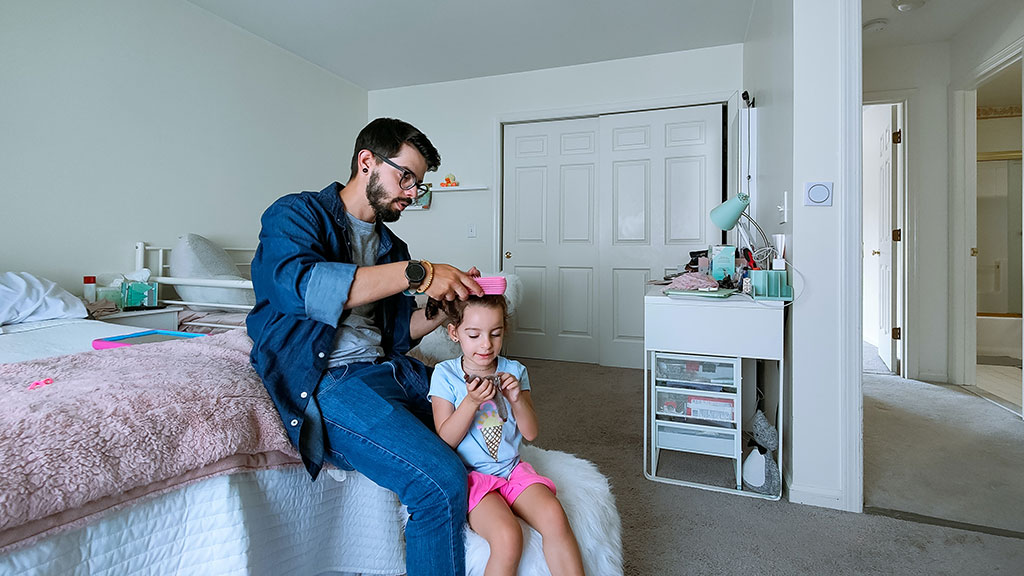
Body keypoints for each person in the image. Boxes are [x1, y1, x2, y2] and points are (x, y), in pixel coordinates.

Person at [246, 117, 485, 576]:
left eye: (420, 184)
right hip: (330, 381)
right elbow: (300, 287)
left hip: (391, 370)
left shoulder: (392, 246)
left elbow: (395, 333)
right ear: (367, 162)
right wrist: (421, 274)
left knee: (486, 433)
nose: (413, 193)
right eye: (406, 177)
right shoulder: (296, 214)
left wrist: (441, 310)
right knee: (440, 483)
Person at [429, 295, 585, 576]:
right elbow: (445, 441)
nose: (486, 344)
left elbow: (531, 432)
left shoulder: (514, 371)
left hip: (512, 470)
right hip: (471, 478)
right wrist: (471, 402)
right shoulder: (445, 374)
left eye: (495, 333)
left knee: (554, 516)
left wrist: (517, 399)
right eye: (474, 335)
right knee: (507, 536)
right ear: (455, 333)